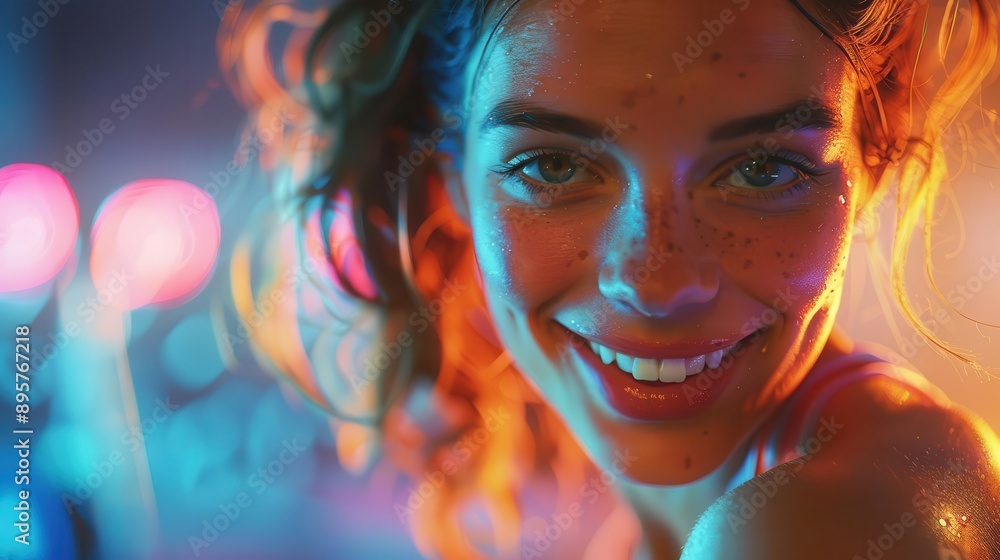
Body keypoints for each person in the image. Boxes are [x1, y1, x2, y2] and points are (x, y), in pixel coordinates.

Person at [222, 0, 1000, 557]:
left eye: (762, 169)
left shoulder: (818, 526)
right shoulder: (697, 517)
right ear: (450, 185)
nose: (656, 283)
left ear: (876, 151)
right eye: (553, 166)